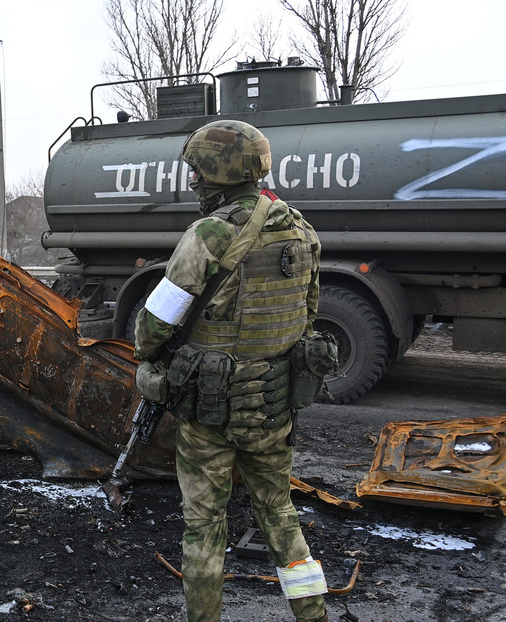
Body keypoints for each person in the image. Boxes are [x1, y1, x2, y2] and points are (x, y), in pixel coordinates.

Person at [132, 120, 329, 622]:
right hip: (272, 405)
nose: (194, 180)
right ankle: (312, 614)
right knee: (280, 514)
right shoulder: (300, 229)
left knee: (203, 525)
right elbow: (308, 317)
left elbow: (153, 329)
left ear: (220, 173)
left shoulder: (210, 232)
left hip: (210, 412)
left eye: (198, 170)